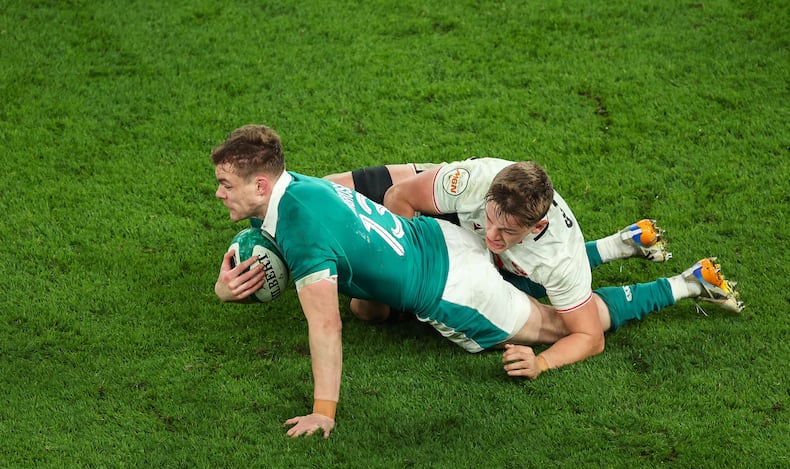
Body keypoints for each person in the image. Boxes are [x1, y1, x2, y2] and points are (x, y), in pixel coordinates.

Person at [212, 125, 584, 438]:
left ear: (261, 185)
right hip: (439, 236)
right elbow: (274, 231)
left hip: (458, 291)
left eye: (226, 185)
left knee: (563, 327)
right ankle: (614, 249)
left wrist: (323, 412)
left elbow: (325, 326)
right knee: (366, 310)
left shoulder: (302, 233)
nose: (219, 193)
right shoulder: (301, 187)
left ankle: (638, 286)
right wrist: (224, 290)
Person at [324, 159, 745, 377]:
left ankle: (685, 283)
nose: (491, 233)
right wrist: (408, 264)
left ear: (536, 225)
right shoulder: (473, 180)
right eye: (489, 219)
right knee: (368, 308)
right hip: (449, 225)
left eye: (507, 231)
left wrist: (541, 363)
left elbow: (589, 337)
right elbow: (400, 196)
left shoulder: (559, 257)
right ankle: (624, 243)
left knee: (560, 318)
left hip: (537, 266)